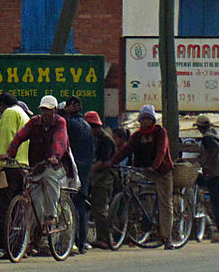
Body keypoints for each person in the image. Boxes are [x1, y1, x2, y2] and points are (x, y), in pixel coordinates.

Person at [1, 95, 69, 241]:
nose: (45, 113)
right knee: (34, 199)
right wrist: (9, 154)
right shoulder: (34, 123)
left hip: (56, 164)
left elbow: (60, 140)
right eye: (43, 110)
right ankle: (34, 234)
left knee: (49, 176)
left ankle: (51, 216)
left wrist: (55, 156)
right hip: (37, 166)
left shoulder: (59, 122)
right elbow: (19, 137)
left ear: (55, 110)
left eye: (48, 110)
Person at [106, 105, 175, 249]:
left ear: (153, 120)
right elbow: (126, 150)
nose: (145, 121)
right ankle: (143, 227)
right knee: (140, 197)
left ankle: (167, 237)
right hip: (143, 170)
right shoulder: (137, 135)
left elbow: (161, 152)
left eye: (148, 119)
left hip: (162, 171)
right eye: (143, 119)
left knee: (165, 203)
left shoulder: (160, 132)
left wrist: (154, 167)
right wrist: (112, 161)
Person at [0, 92, 30, 260]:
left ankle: (1, 247)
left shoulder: (9, 113)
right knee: (15, 209)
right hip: (20, 166)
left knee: (1, 208)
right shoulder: (23, 115)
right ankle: (16, 247)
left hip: (7, 167)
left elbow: (7, 139)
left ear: (2, 105)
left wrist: (0, 166)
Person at [62, 96, 95, 254]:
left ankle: (71, 242)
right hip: (85, 170)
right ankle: (81, 243)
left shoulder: (68, 124)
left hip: (72, 170)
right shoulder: (87, 126)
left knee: (68, 205)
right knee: (80, 206)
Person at [194, 115, 219, 243]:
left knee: (217, 202)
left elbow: (216, 150)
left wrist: (207, 164)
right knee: (218, 201)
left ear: (199, 127)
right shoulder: (215, 134)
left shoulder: (207, 138)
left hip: (215, 173)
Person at [86, 110, 116, 248]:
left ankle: (104, 238)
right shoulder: (93, 139)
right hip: (95, 176)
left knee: (100, 208)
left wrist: (89, 170)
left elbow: (103, 161)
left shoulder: (106, 140)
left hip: (105, 177)